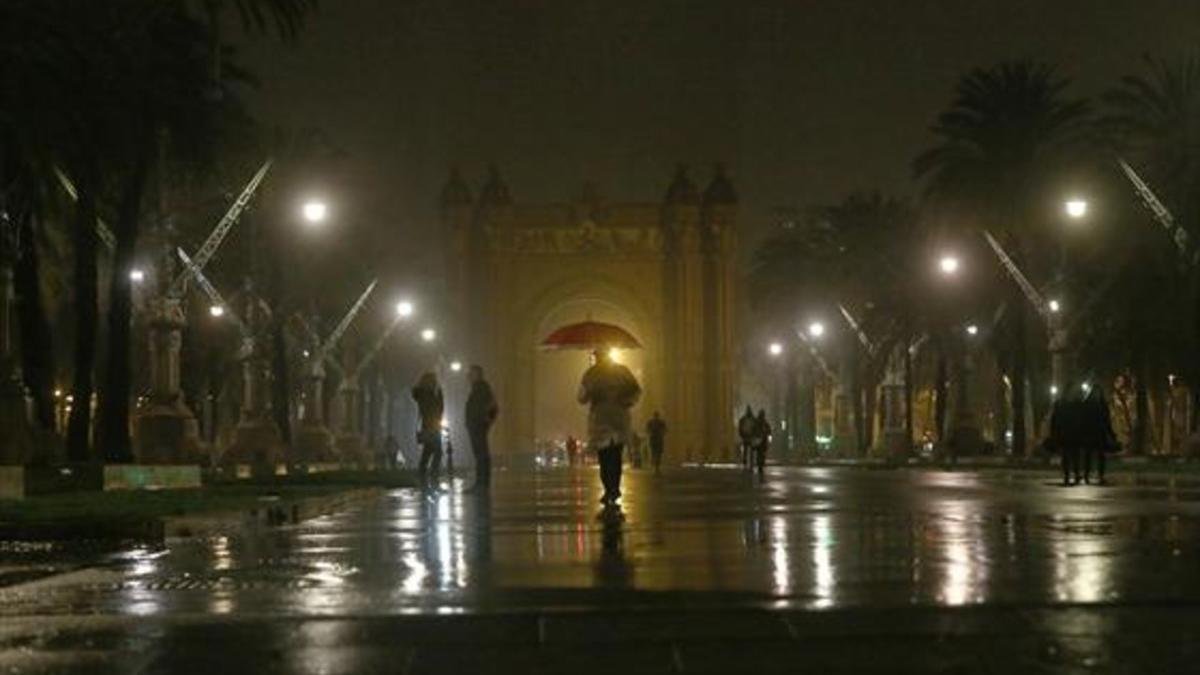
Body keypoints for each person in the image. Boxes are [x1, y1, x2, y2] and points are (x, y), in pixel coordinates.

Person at [578, 349, 642, 506]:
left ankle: (610, 489)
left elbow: (581, 398)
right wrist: (626, 400)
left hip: (601, 419)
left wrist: (592, 393)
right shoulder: (623, 371)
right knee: (615, 457)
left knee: (605, 458)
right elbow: (636, 391)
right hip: (619, 418)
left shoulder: (591, 374)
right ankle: (613, 488)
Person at [464, 364, 499, 492]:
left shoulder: (481, 388)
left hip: (477, 426)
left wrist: (485, 422)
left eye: (471, 373)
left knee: (481, 455)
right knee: (481, 455)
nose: (468, 376)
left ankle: (481, 484)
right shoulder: (478, 388)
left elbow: (492, 407)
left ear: (478, 374)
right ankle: (481, 484)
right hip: (477, 425)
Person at [412, 371, 445, 489]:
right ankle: (432, 476)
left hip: (434, 425)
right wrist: (437, 394)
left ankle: (423, 475)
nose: (434, 382)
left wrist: (438, 394)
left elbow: (440, 408)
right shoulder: (424, 393)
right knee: (437, 452)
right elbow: (429, 408)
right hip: (429, 425)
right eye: (432, 380)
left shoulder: (434, 392)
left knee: (428, 451)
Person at [1080, 384, 1118, 484]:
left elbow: (1107, 421)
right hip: (1090, 433)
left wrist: (1111, 433)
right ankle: (1087, 474)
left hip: (1099, 433)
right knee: (1089, 455)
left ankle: (1100, 474)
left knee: (1100, 455)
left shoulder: (1102, 405)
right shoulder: (1087, 405)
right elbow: (1083, 420)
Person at [1047, 385, 1084, 486]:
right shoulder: (1061, 404)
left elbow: (1081, 419)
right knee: (1067, 455)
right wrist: (1053, 432)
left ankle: (1075, 474)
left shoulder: (1076, 404)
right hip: (1065, 432)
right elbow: (1055, 419)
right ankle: (1068, 475)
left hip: (1073, 432)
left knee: (1074, 455)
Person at [754, 409, 772, 476]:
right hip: (761, 439)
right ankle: (760, 463)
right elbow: (768, 431)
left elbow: (769, 431)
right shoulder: (761, 423)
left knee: (761, 452)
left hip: (762, 439)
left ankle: (761, 462)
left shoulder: (763, 423)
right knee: (761, 452)